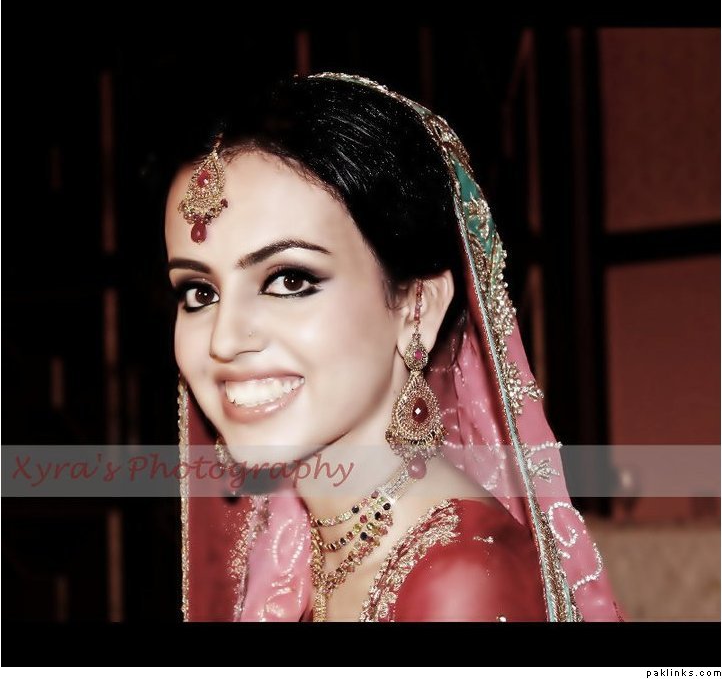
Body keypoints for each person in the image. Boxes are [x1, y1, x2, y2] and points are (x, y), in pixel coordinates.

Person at [165, 73, 622, 622]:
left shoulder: (462, 583)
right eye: (200, 292)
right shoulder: (297, 557)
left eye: (289, 280)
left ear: (417, 306)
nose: (223, 340)